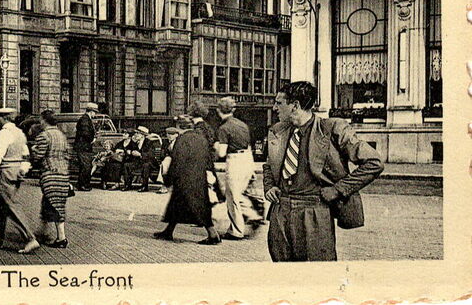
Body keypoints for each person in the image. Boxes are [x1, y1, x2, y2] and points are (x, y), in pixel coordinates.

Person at [264, 81, 383, 262]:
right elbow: (269, 165)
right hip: (280, 212)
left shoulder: (332, 129)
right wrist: (269, 186)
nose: (274, 108)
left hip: (314, 212)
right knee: (282, 271)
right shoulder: (278, 131)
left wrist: (338, 190)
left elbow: (374, 162)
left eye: (279, 103)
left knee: (319, 271)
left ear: (295, 105)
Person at [154, 102, 221, 245]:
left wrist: (169, 179)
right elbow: (209, 157)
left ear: (180, 127)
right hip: (199, 174)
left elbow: (177, 160)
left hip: (186, 175)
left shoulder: (183, 138)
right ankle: (169, 231)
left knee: (195, 206)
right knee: (180, 205)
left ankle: (213, 234)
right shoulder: (202, 136)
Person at [0, 108, 40, 255]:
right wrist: (23, 170)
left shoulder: (4, 133)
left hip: (6, 171)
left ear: (3, 118)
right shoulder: (19, 132)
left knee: (10, 206)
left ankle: (30, 238)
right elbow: (26, 153)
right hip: (16, 171)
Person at [214, 96, 266, 239]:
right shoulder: (242, 125)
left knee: (232, 197)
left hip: (235, 161)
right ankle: (252, 215)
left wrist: (216, 145)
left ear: (219, 110)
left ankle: (236, 231)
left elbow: (222, 153)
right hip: (247, 159)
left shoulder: (224, 128)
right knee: (239, 193)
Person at [30, 110, 70, 249]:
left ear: (44, 120)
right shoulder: (61, 136)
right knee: (51, 203)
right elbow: (68, 155)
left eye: (41, 120)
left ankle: (61, 238)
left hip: (50, 174)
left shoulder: (44, 136)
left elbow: (38, 156)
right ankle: (43, 231)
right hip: (63, 174)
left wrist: (33, 149)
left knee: (54, 205)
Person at [122, 126, 160, 191]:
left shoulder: (149, 142)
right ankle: (127, 185)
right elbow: (127, 149)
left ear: (142, 135)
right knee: (126, 165)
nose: (135, 135)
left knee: (146, 165)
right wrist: (130, 151)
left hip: (149, 163)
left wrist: (140, 154)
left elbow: (150, 154)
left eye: (137, 133)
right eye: (135, 133)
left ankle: (144, 186)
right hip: (138, 163)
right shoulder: (134, 142)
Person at [73, 103, 97, 191]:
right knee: (86, 166)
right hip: (83, 147)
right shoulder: (85, 120)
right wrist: (92, 139)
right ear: (91, 111)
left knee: (85, 166)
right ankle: (83, 185)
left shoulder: (85, 119)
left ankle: (82, 184)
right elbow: (85, 133)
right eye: (94, 112)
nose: (95, 114)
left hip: (83, 146)